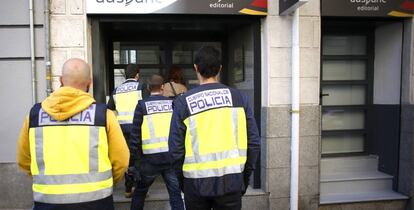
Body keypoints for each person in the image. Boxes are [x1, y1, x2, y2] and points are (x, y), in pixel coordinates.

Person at [17, 58, 129, 210]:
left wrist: (47, 184)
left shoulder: (35, 115)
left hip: (47, 202)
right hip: (97, 202)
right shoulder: (104, 115)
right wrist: (106, 183)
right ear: (89, 83)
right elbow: (121, 160)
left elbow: (24, 160)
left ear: (61, 80)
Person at [168, 46, 261, 210]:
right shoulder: (239, 98)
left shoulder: (184, 102)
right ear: (220, 68)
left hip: (195, 184)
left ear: (195, 68)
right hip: (232, 182)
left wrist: (183, 183)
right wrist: (244, 178)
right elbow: (253, 143)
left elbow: (175, 149)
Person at [130, 74, 185, 210]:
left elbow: (135, 136)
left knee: (140, 193)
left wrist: (135, 162)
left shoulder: (142, 106)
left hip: (149, 160)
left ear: (148, 88)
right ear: (162, 87)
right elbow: (180, 132)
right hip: (170, 158)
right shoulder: (173, 104)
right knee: (175, 195)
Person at [107, 64, 146, 197]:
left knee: (128, 159)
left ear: (125, 74)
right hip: (138, 128)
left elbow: (110, 107)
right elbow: (147, 105)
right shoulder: (140, 87)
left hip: (122, 129)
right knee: (139, 158)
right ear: (137, 74)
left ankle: (128, 189)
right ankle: (139, 189)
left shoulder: (117, 90)